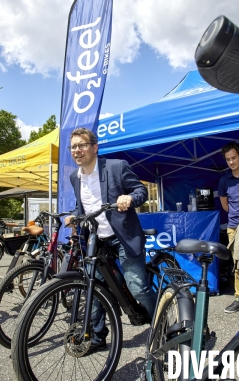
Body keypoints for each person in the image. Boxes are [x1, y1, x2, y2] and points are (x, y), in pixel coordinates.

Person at [64, 127, 156, 351]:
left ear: (94, 147)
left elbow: (140, 191)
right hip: (97, 239)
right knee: (93, 289)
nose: (77, 150)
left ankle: (160, 322)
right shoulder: (74, 177)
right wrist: (74, 217)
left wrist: (129, 198)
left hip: (123, 236)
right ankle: (97, 337)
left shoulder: (116, 167)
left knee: (136, 286)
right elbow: (83, 207)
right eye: (73, 146)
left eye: (82, 145)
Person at [217, 143, 239, 313]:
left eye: (234, 158)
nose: (231, 162)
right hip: (235, 226)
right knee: (238, 263)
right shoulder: (224, 180)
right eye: (228, 159)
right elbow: (225, 206)